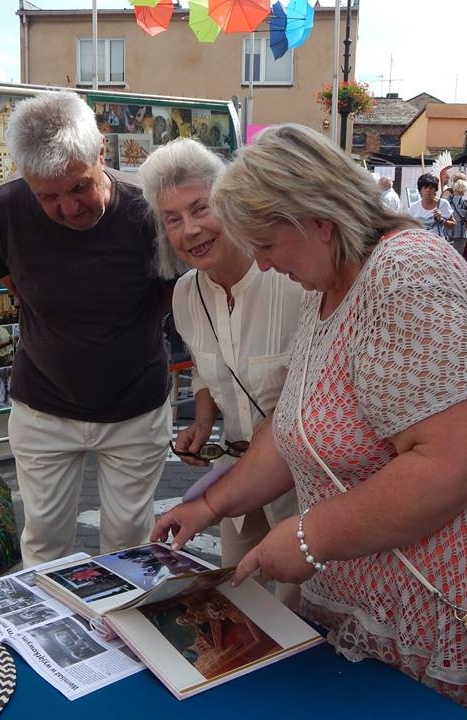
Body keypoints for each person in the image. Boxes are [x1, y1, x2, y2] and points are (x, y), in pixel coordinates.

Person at [151, 124, 467, 718]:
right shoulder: (326, 284)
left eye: (268, 245)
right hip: (403, 598)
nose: (265, 265)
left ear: (316, 220)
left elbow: (458, 460)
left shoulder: (406, 274)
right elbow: (295, 422)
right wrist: (212, 504)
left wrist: (308, 537)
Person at [0, 91, 172, 566]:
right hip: (43, 409)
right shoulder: (2, 210)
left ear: (101, 152)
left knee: (130, 542)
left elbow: (171, 296)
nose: (68, 208)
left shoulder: (149, 215)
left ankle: (123, 633)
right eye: (47, 196)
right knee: (43, 539)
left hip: (135, 408)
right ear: (24, 178)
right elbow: (15, 285)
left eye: (79, 187)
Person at [138, 139, 303, 606]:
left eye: (200, 209)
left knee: (299, 610)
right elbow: (207, 367)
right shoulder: (186, 295)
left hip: (302, 488)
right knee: (235, 601)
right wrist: (204, 421)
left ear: (229, 201)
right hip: (233, 480)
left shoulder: (290, 279)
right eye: (172, 219)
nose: (190, 230)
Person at [407, 173, 455, 239]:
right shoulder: (413, 208)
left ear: (435, 190)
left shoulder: (443, 204)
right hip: (419, 243)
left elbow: (453, 224)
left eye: (431, 188)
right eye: (425, 187)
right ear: (420, 190)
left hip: (437, 243)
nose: (428, 190)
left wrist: (442, 219)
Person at [446, 178, 467, 256]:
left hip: (447, 231)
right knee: (458, 256)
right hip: (461, 232)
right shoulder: (465, 202)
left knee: (448, 255)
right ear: (464, 189)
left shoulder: (447, 200)